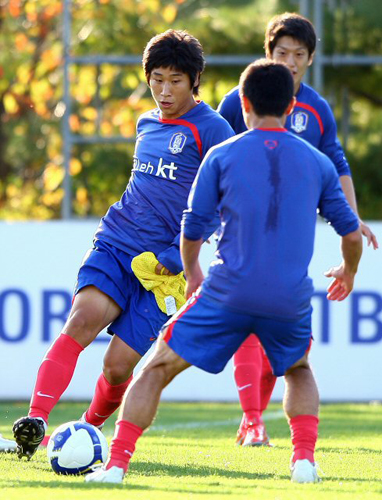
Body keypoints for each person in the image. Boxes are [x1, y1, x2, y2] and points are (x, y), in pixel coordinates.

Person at [85, 59, 363, 484]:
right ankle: (303, 462)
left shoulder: (222, 154)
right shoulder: (317, 163)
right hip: (288, 296)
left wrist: (193, 273)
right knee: (299, 370)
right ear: (291, 106)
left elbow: (193, 228)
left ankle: (115, 467)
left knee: (155, 368)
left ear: (244, 103)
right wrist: (348, 271)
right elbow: (351, 234)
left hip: (226, 291)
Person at [12, 29, 234, 460]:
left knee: (117, 369)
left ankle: (82, 434)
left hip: (165, 269)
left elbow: (222, 201)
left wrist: (179, 254)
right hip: (117, 241)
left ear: (194, 80)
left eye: (174, 81)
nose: (164, 91)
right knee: (82, 318)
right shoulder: (146, 122)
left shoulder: (214, 130)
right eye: (156, 79)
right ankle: (36, 422)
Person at [217, 12, 378, 447]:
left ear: (309, 60)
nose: (289, 61)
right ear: (268, 54)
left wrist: (352, 216)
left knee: (280, 335)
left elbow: (337, 165)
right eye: (282, 52)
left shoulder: (316, 108)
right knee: (252, 326)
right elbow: (212, 160)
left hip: (293, 234)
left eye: (299, 54)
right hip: (241, 229)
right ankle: (253, 419)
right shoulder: (239, 101)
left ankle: (254, 420)